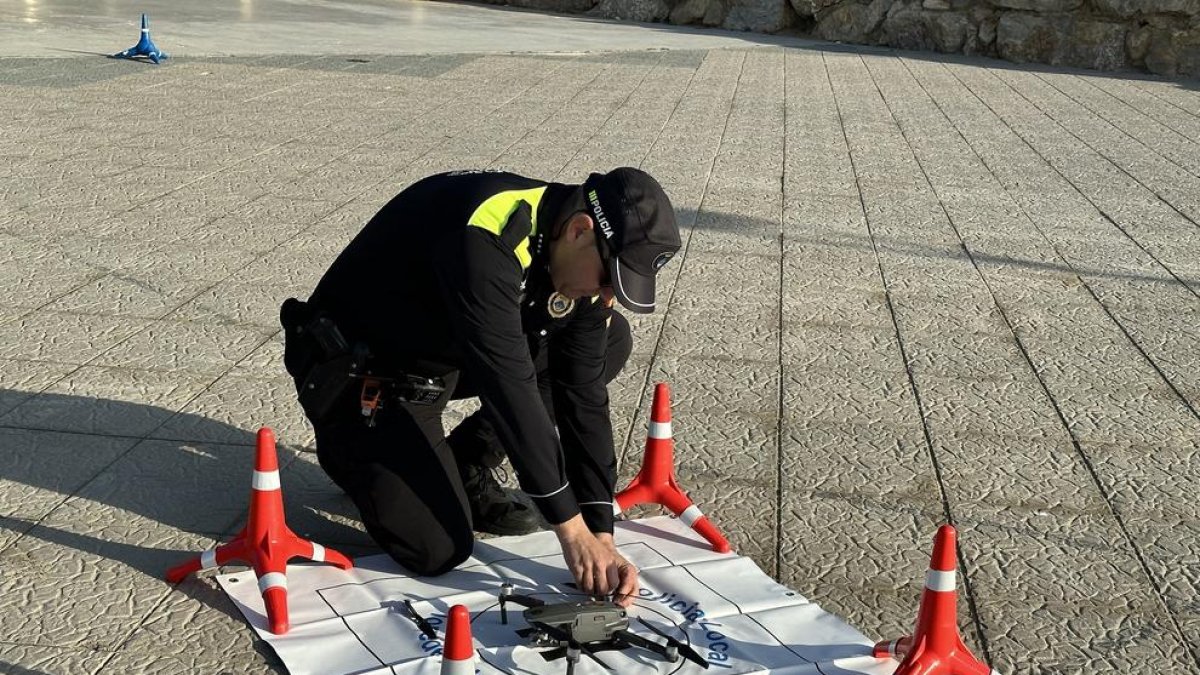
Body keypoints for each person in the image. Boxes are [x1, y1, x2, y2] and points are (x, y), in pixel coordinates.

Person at [280, 167, 681, 605]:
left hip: (443, 351)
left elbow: (583, 393)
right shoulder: (484, 235)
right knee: (437, 549)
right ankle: (354, 451)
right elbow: (508, 387)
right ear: (580, 230)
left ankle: (466, 462)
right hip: (365, 373)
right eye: (608, 280)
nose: (607, 295)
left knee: (610, 339)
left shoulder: (572, 250)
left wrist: (600, 530)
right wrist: (569, 528)